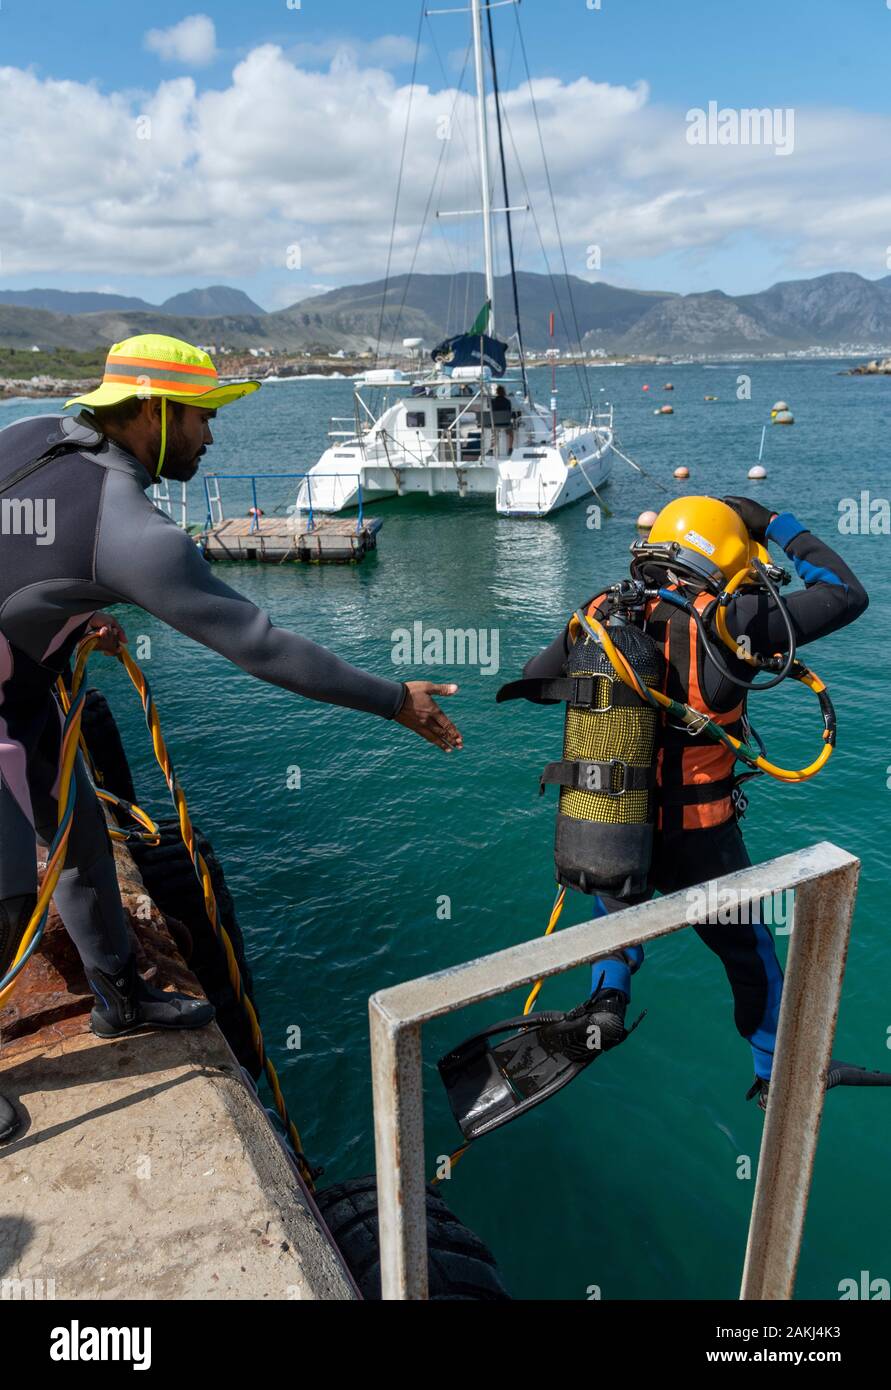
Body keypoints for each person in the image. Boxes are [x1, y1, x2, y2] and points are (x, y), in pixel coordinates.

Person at [0, 334, 462, 1143]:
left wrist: (59, 615)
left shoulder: (34, 434)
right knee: (7, 900)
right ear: (151, 410)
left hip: (24, 685)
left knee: (77, 841)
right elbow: (261, 644)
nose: (211, 438)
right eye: (201, 418)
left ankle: (122, 995)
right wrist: (394, 700)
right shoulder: (135, 533)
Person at [518, 495, 868, 1107]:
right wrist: (776, 523)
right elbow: (845, 592)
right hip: (703, 838)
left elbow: (535, 681)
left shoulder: (602, 610)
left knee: (616, 911)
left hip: (617, 823)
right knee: (747, 951)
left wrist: (590, 630)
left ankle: (608, 1001)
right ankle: (773, 1071)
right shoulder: (736, 620)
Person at [490, 385, 514, 455]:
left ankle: (491, 448)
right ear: (504, 392)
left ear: (497, 392)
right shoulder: (507, 401)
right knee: (511, 433)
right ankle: (510, 448)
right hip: (505, 423)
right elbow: (510, 412)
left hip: (495, 423)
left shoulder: (493, 401)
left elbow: (491, 410)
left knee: (493, 433)